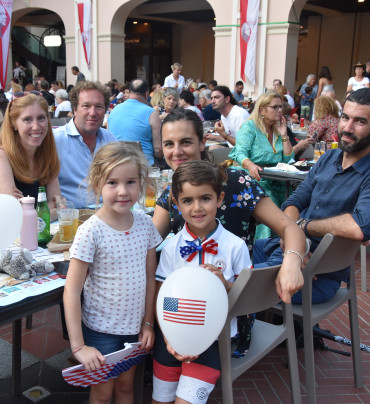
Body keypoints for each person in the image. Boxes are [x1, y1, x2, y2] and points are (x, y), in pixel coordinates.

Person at [254, 88, 370, 304]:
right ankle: (280, 331)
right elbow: (295, 201)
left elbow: (360, 226)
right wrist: (292, 239)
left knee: (234, 288)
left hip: (317, 275)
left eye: (359, 122)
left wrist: (301, 229)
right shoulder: (329, 157)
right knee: (237, 251)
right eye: (345, 118)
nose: (347, 128)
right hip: (287, 251)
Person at [153, 109, 305, 302]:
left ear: (202, 143)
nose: (176, 152)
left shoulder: (237, 181)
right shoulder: (171, 195)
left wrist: (292, 260)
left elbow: (290, 228)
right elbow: (148, 243)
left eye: (185, 142)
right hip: (191, 306)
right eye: (169, 144)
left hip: (235, 305)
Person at [64, 142, 161, 404]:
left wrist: (147, 323)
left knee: (127, 387)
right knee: (103, 392)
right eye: (112, 183)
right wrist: (78, 346)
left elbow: (150, 278)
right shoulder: (90, 231)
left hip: (134, 329)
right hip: (101, 331)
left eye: (130, 182)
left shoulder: (145, 224)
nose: (122, 191)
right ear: (97, 185)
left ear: (141, 183)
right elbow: (71, 291)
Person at [152, 160, 252, 404]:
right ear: (176, 204)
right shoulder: (172, 248)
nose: (197, 208)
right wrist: (171, 337)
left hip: (214, 341)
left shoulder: (235, 246)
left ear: (219, 199)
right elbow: (163, 294)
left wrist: (226, 285)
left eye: (205, 199)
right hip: (171, 339)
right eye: (187, 201)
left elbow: (247, 299)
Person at [229, 91, 294, 238]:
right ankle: (264, 244)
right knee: (270, 200)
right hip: (251, 178)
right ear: (262, 110)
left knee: (296, 198)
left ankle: (285, 240)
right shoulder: (250, 128)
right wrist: (250, 165)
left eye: (280, 107)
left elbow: (289, 158)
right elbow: (240, 153)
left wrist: (284, 135)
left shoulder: (277, 128)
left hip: (275, 179)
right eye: (275, 107)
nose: (279, 111)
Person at [0, 93, 60, 207]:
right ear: (14, 124)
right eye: (27, 119)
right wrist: (48, 209)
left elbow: (58, 207)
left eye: (41, 118)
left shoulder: (46, 155)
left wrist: (27, 207)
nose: (36, 126)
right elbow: (14, 215)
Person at [53, 81, 116, 208]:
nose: (92, 113)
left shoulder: (110, 139)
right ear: (75, 109)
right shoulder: (56, 141)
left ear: (105, 110)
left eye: (98, 106)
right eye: (86, 106)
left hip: (109, 213)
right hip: (74, 218)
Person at [108, 78, 162, 165]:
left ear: (129, 92)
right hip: (144, 167)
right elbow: (158, 149)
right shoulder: (151, 113)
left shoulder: (114, 110)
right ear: (146, 94)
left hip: (117, 163)